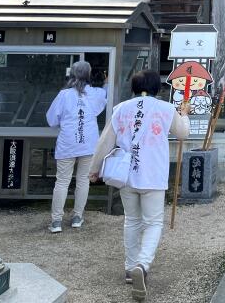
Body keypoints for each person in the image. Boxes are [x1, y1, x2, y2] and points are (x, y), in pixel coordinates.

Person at [90, 69, 190, 302]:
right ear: (156, 87)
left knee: (132, 220)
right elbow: (183, 133)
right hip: (153, 175)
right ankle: (142, 265)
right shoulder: (166, 109)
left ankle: (130, 267)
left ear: (134, 87)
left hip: (126, 175)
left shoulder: (121, 108)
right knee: (153, 222)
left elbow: (106, 141)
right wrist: (184, 114)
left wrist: (94, 168)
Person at [46, 60, 107, 233]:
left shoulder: (64, 95)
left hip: (67, 143)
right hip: (88, 143)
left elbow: (51, 119)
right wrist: (107, 81)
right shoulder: (96, 93)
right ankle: (77, 217)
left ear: (72, 74)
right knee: (83, 180)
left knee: (62, 181)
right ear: (88, 75)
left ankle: (56, 221)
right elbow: (107, 93)